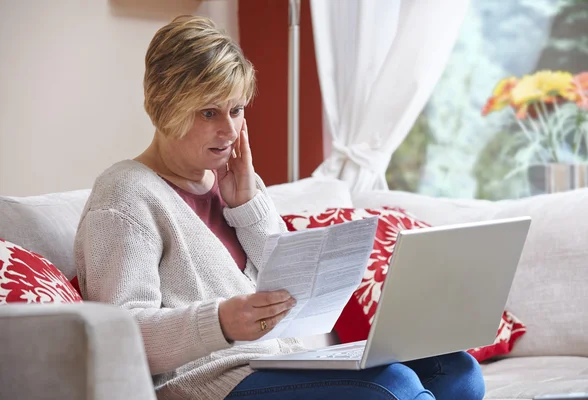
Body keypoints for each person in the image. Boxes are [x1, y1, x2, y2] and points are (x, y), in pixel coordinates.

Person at [74, 15, 486, 400]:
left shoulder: (232, 181)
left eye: (236, 110)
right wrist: (220, 322)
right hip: (216, 380)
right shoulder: (124, 194)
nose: (230, 130)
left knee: (456, 371)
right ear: (163, 107)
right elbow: (119, 335)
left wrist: (247, 204)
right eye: (208, 113)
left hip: (283, 357)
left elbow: (294, 287)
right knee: (393, 386)